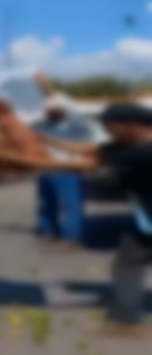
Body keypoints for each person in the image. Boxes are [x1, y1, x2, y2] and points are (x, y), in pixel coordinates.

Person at [0, 103, 152, 338]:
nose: (108, 132)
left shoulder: (140, 153)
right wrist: (44, 139)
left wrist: (5, 156)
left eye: (111, 127)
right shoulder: (127, 145)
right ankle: (126, 320)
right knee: (128, 264)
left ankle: (126, 321)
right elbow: (88, 150)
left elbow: (78, 164)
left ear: (130, 125)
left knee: (128, 264)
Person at [32, 79, 99, 248]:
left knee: (71, 206)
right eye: (47, 110)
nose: (49, 112)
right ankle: (48, 231)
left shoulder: (76, 126)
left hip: (68, 171)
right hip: (46, 171)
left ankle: (72, 237)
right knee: (46, 204)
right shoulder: (42, 126)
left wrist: (45, 85)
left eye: (54, 109)